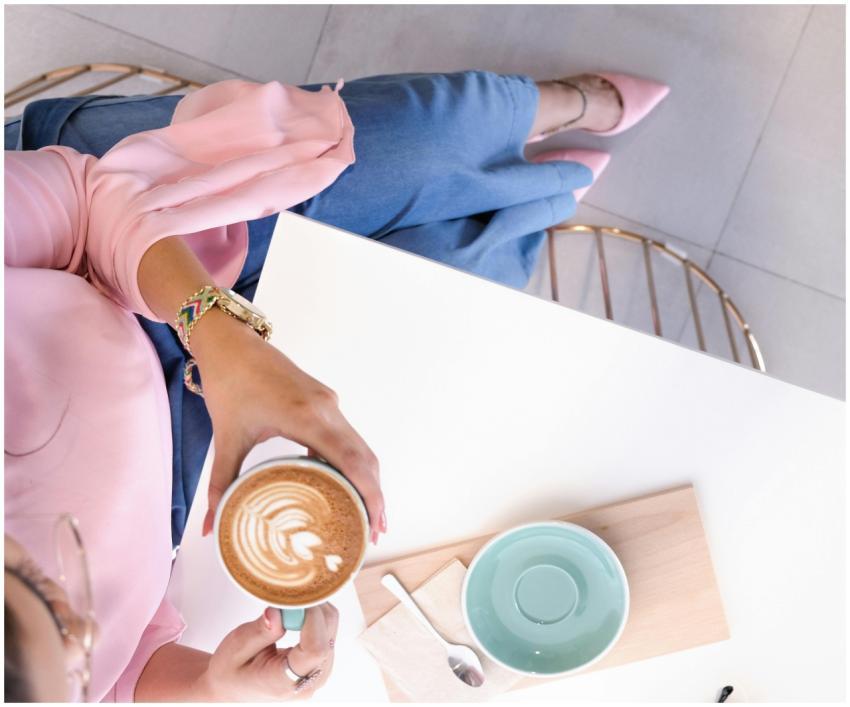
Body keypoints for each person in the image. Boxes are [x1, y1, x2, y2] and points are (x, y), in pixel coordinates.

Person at [4, 69, 668, 701]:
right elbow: (123, 672)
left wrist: (219, 331)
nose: (89, 633)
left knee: (423, 141)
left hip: (108, 246)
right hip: (171, 478)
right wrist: (212, 684)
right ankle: (536, 199)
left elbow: (82, 201)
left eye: (39, 585)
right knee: (448, 289)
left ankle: (550, 106)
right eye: (73, 670)